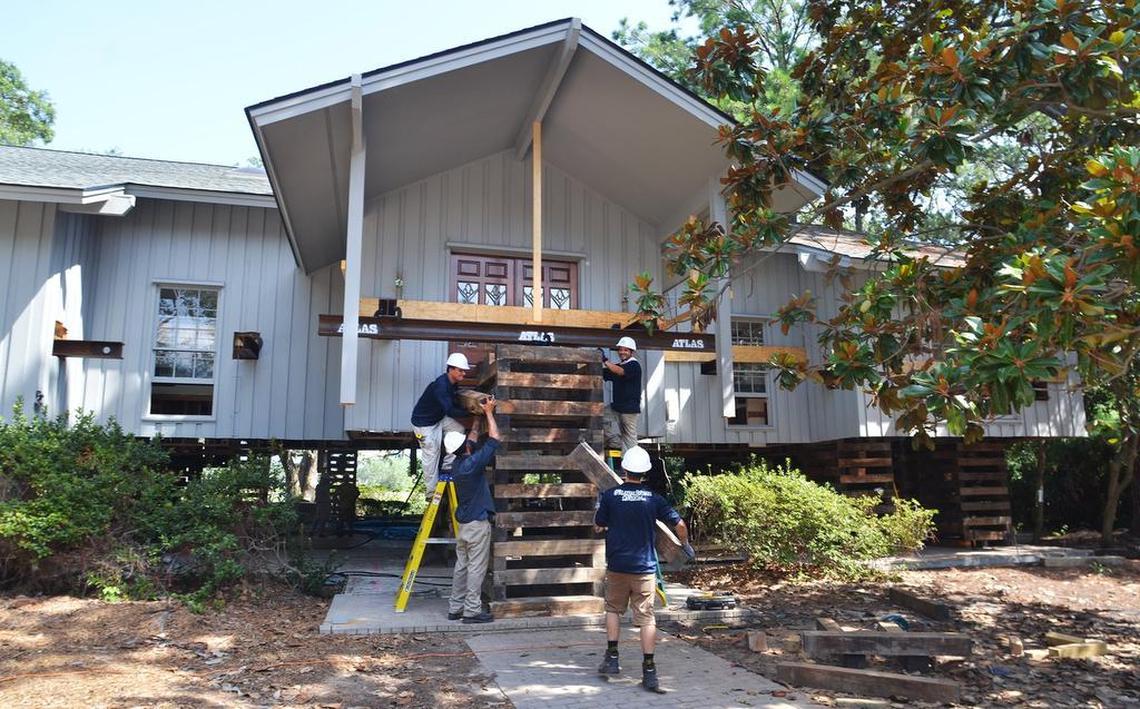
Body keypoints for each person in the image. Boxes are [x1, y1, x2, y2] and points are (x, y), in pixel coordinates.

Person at [594, 445, 695, 692]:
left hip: (618, 565)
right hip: (645, 568)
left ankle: (613, 658)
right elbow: (679, 524)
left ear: (624, 469)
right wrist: (685, 544)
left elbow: (599, 524)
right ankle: (649, 671)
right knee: (647, 618)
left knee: (613, 610)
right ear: (645, 473)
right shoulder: (654, 499)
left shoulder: (610, 496)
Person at [444, 396, 500, 624]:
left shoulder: (458, 464)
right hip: (477, 524)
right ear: (466, 447)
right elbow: (495, 438)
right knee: (476, 568)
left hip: (464, 524)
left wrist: (477, 416)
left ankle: (455, 608)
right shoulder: (472, 464)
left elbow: (473, 438)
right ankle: (471, 611)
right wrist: (489, 412)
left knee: (462, 566)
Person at [411, 352, 471, 496]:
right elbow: (450, 410)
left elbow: (453, 403)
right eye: (461, 370)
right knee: (431, 455)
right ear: (451, 369)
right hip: (424, 425)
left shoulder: (453, 383)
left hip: (437, 418)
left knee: (459, 429)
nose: (464, 373)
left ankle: (448, 465)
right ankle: (431, 494)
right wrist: (471, 413)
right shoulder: (441, 386)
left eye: (464, 370)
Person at [601, 336, 642, 453]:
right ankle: (612, 441)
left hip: (629, 410)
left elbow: (620, 371)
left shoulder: (634, 365)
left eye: (625, 350)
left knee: (629, 438)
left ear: (631, 352)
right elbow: (607, 372)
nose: (622, 352)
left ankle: (633, 465)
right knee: (600, 418)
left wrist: (604, 360)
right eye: (620, 349)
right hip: (617, 407)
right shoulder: (619, 365)